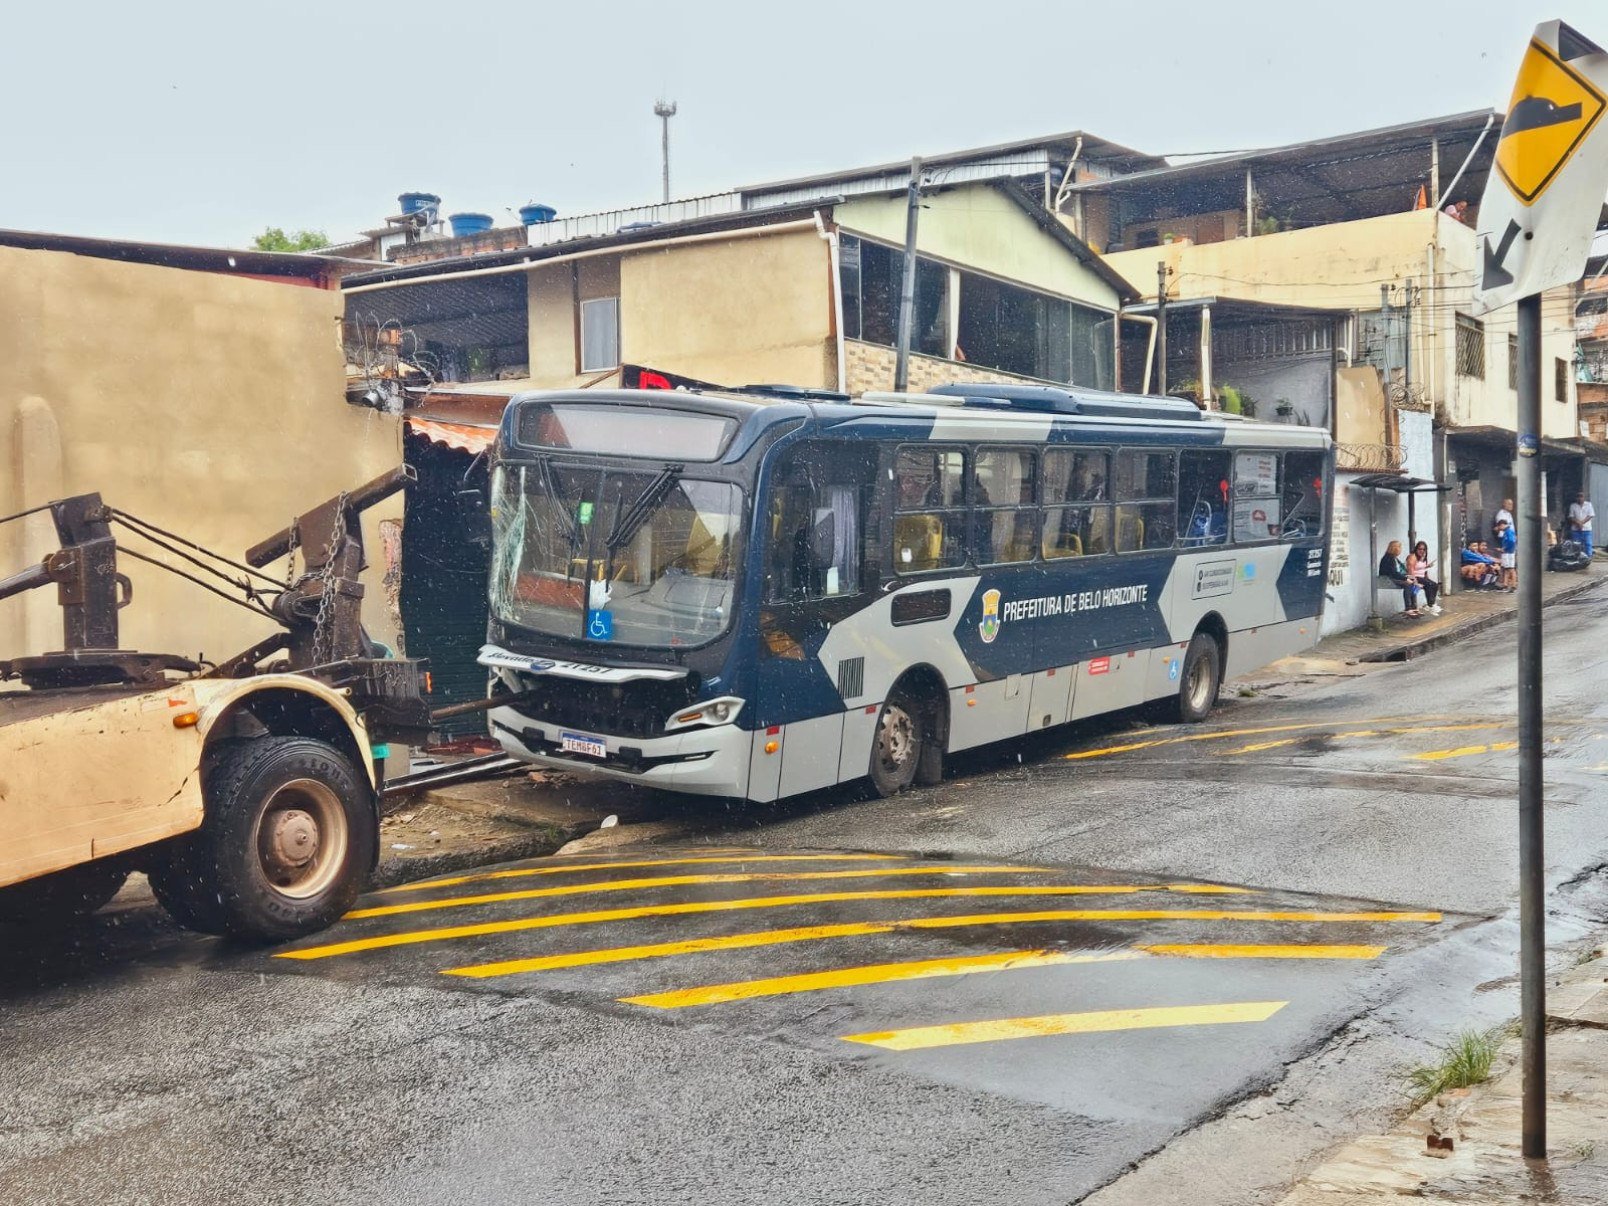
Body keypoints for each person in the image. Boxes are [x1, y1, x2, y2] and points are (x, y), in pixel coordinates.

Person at [1379, 539, 1420, 617]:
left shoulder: (1394, 558)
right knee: (1408, 584)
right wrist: (1405, 579)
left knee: (1414, 582)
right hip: (1387, 579)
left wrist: (1410, 577)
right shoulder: (1388, 558)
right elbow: (1393, 573)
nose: (1401, 550)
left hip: (1393, 577)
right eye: (1400, 548)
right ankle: (1408, 608)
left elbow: (1400, 570)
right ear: (1395, 549)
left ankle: (1413, 607)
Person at [1407, 540, 1441, 614]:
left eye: (1423, 549)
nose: (1421, 551)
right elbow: (1411, 570)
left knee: (1434, 585)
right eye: (1420, 549)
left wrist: (1427, 570)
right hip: (1415, 577)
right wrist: (1415, 582)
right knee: (1429, 585)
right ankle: (1430, 604)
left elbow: (1423, 569)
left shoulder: (1423, 557)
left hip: (1422, 577)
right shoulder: (1412, 557)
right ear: (1416, 549)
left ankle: (1431, 603)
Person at [1568, 491, 1596, 559]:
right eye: (1578, 496)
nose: (1580, 498)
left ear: (1584, 497)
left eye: (1581, 496)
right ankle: (1577, 558)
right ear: (1576, 498)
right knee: (1576, 545)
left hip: (1587, 529)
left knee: (1588, 544)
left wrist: (1581, 523)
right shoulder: (1573, 506)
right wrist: (1578, 523)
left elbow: (1590, 515)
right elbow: (1571, 517)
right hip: (1575, 529)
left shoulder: (1589, 505)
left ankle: (1589, 558)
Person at [1497, 518, 1517, 591]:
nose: (1499, 528)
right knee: (1506, 568)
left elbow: (1511, 541)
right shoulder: (1507, 532)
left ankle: (1513, 585)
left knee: (1511, 568)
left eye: (1499, 526)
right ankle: (1505, 584)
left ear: (1502, 525)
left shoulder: (1508, 532)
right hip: (1508, 552)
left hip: (1509, 553)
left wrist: (1504, 548)